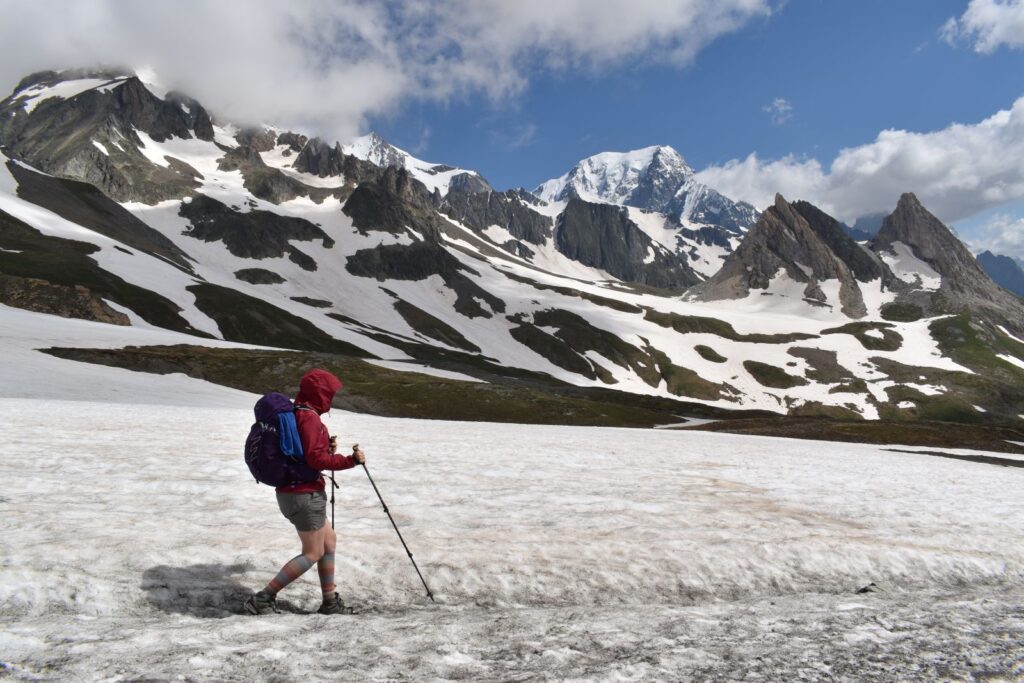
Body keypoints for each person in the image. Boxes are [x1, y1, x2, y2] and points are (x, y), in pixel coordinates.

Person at [245, 368, 365, 615]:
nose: (331, 398)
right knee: (313, 552)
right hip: (303, 495)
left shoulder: (300, 413)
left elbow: (304, 452)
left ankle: (329, 601)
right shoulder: (309, 418)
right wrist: (350, 461)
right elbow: (315, 459)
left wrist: (324, 446)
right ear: (320, 394)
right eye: (329, 393)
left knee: (328, 542)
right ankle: (263, 599)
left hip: (298, 491)